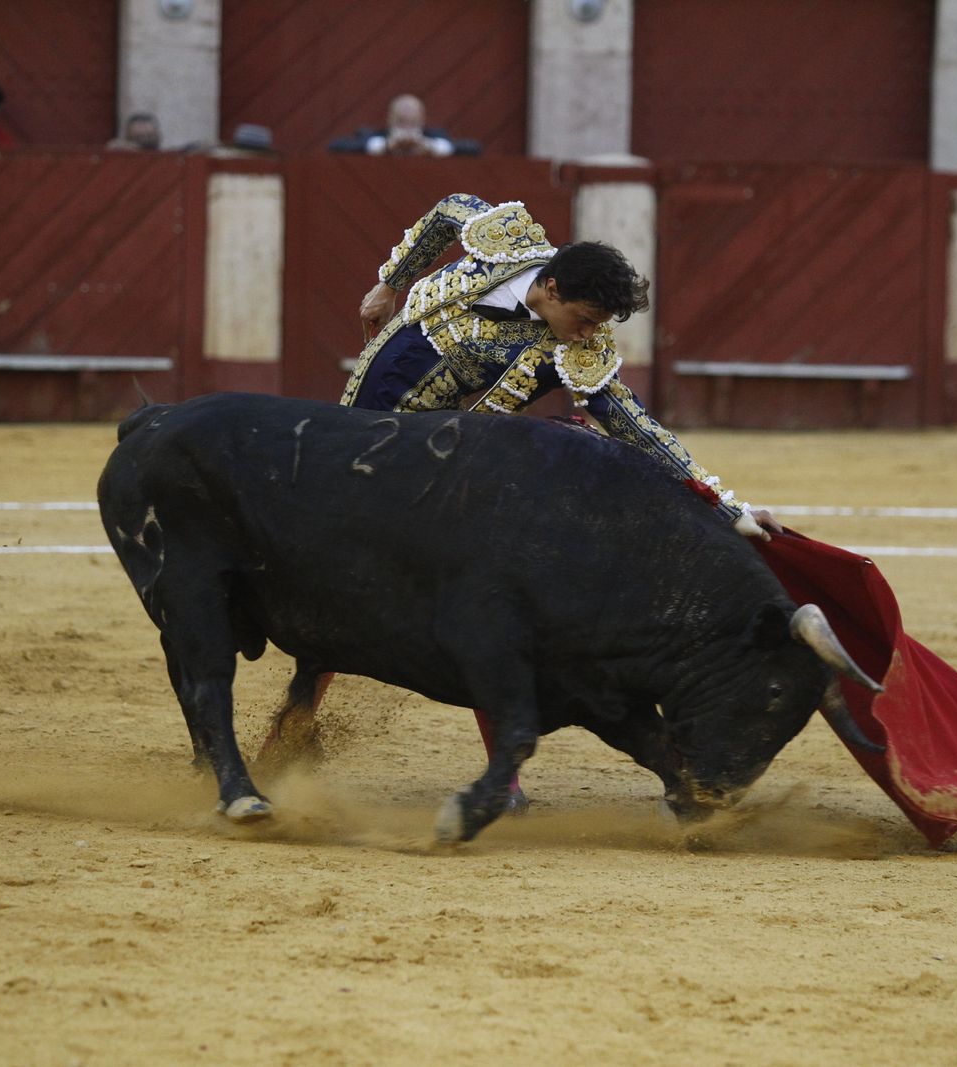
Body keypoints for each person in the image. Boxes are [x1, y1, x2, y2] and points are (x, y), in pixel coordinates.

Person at [258, 194, 780, 812]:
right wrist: (388, 284)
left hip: (429, 471)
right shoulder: (506, 240)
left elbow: (641, 431)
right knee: (328, 588)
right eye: (584, 317)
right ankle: (293, 731)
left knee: (479, 609)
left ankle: (501, 780)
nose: (591, 334)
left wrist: (730, 509)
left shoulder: (574, 355)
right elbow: (448, 211)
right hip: (353, 433)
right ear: (550, 286)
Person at [364, 94, 455, 157]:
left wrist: (426, 146)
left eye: (413, 122)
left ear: (422, 119)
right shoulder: (374, 134)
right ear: (390, 119)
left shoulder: (435, 134)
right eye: (401, 121)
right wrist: (389, 145)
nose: (407, 128)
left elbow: (449, 148)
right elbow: (365, 146)